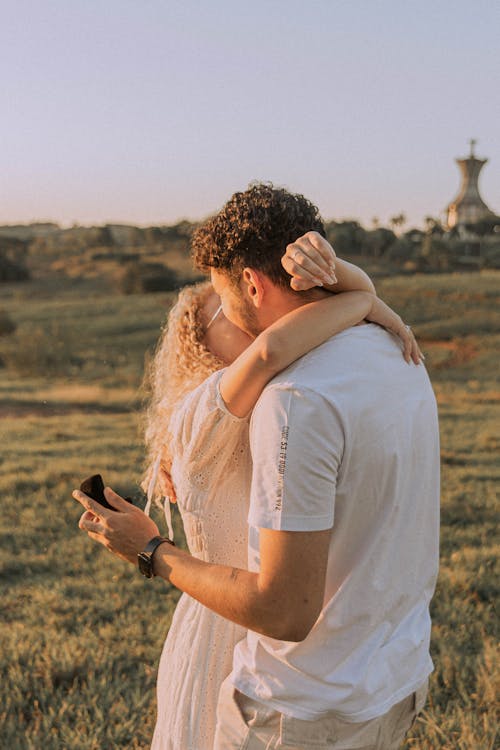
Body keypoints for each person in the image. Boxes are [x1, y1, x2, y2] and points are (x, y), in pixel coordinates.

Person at [74, 184, 439, 750]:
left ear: (250, 283)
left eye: (222, 295)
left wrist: (150, 550)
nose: (227, 315)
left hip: (303, 703)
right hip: (391, 677)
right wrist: (364, 297)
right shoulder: (399, 354)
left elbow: (285, 610)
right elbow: (272, 350)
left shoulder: (293, 398)